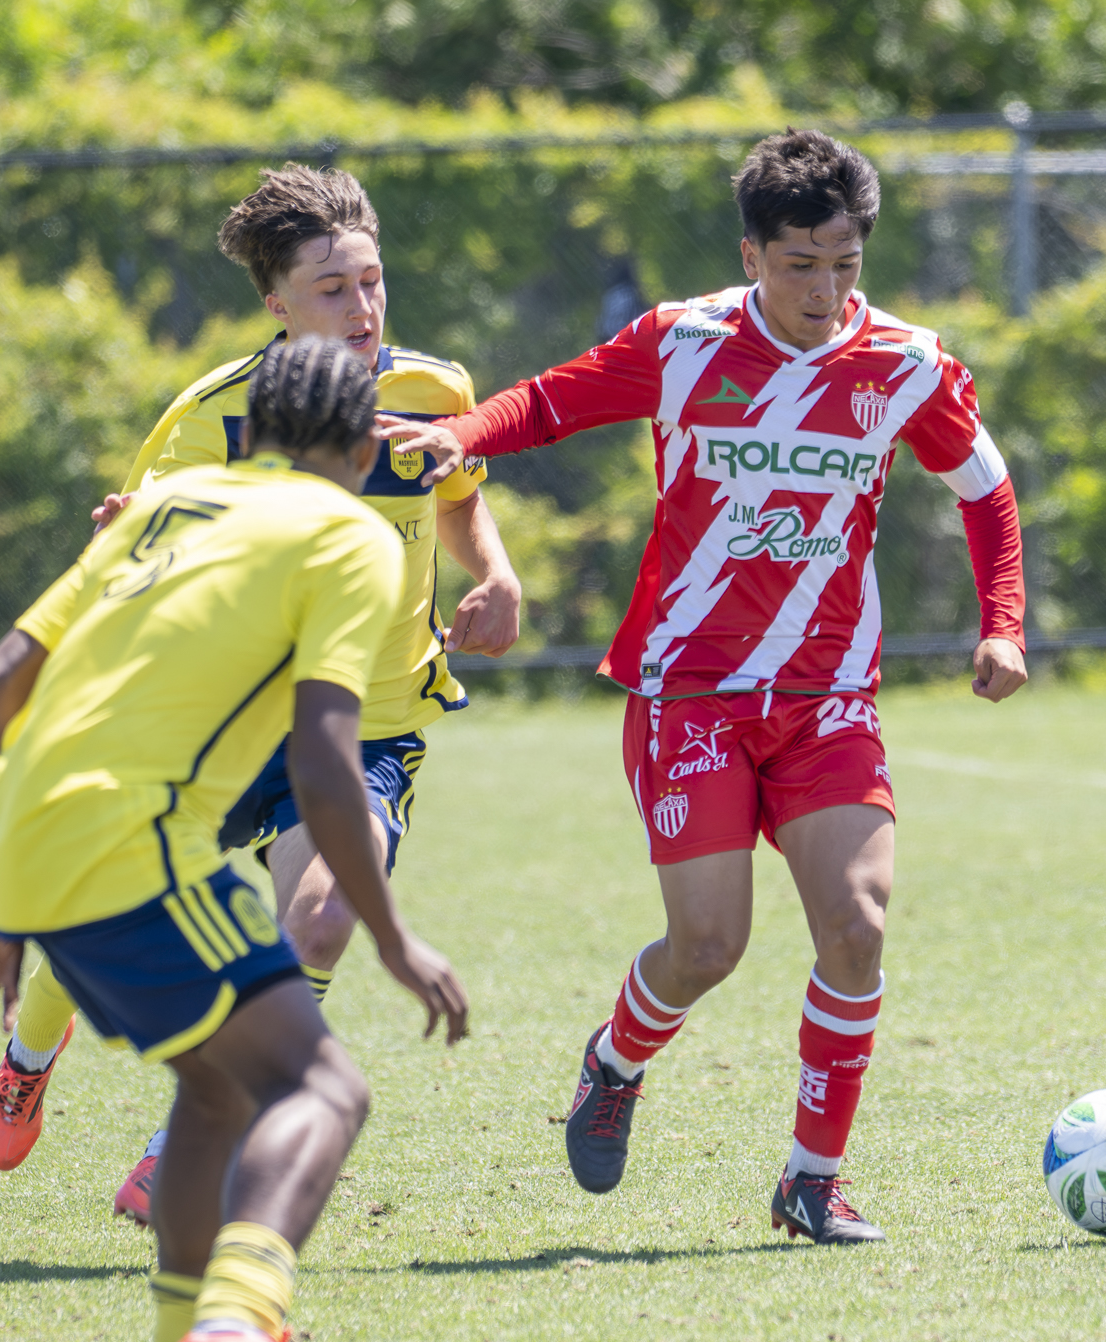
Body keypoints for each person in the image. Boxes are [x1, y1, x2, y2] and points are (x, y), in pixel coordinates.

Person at [382, 130, 1027, 1244]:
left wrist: (1002, 625)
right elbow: (544, 402)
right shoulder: (682, 343)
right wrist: (456, 433)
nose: (824, 290)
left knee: (856, 925)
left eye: (844, 265)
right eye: (798, 266)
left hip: (827, 698)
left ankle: (809, 1184)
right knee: (707, 948)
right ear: (751, 253)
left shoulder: (906, 364)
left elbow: (984, 485)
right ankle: (616, 1060)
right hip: (689, 692)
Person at [0, 336, 469, 1342]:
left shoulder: (170, 501)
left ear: (257, 428)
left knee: (217, 1090)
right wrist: (391, 938)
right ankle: (237, 1327)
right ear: (357, 441)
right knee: (321, 1086)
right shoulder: (349, 537)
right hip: (134, 841)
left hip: (37, 830)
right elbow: (330, 765)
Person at [0, 164, 521, 1225]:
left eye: (371, 281)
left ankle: (190, 1140)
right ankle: (29, 1052)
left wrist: (494, 575)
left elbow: (456, 496)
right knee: (102, 904)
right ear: (274, 303)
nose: (362, 308)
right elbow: (139, 547)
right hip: (219, 724)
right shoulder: (207, 419)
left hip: (370, 720)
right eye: (331, 288)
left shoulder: (432, 390)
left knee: (318, 923)